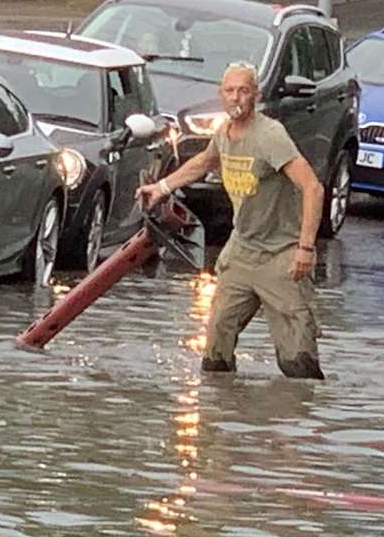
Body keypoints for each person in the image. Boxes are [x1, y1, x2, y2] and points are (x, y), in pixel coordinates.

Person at [137, 62, 326, 380]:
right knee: (214, 356)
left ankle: (299, 423)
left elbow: (313, 187)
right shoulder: (224, 132)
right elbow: (207, 160)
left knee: (298, 365)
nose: (236, 97)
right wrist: (163, 187)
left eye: (243, 91)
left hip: (281, 255)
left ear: (256, 95)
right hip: (241, 252)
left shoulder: (270, 135)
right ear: (220, 95)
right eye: (230, 91)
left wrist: (305, 248)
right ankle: (223, 419)